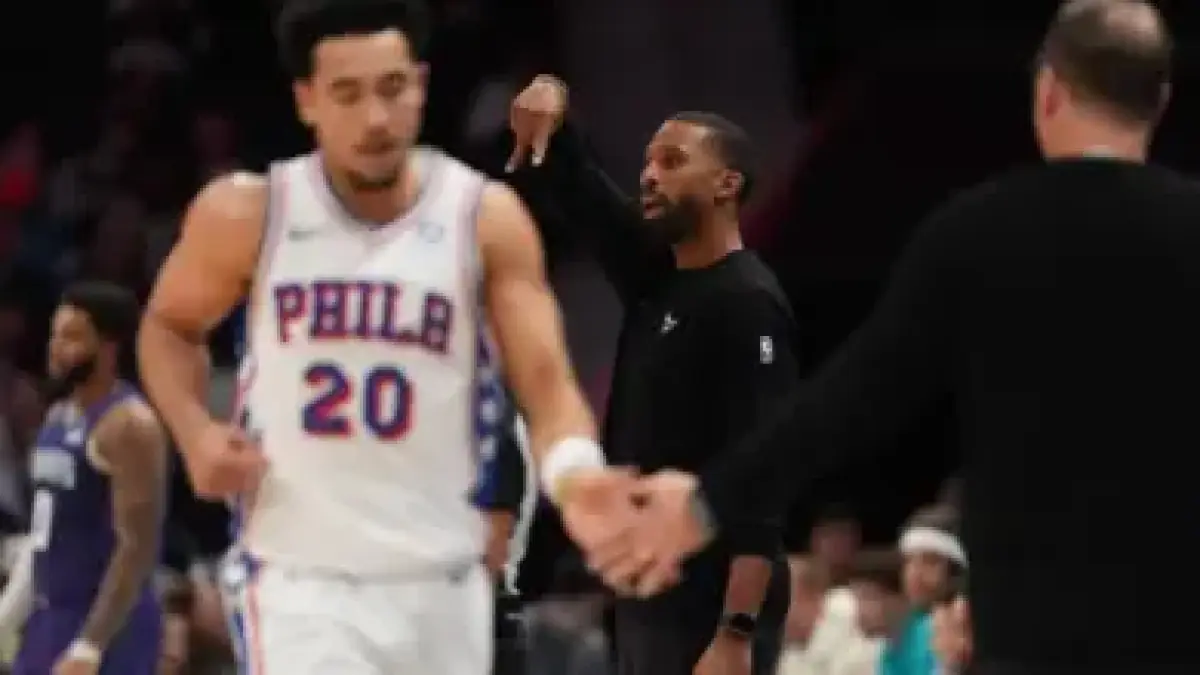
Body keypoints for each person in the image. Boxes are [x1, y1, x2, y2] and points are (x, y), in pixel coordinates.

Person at [600, 1, 1200, 673]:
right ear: (1160, 100)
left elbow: (846, 402)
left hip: (1030, 639)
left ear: (1049, 92)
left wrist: (706, 503)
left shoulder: (977, 235)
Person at [135, 0, 635, 673]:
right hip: (302, 576)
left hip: (442, 572)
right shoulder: (247, 212)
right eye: (348, 94)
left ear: (421, 85)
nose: (375, 117)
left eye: (392, 88)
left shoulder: (484, 218)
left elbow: (546, 388)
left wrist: (579, 476)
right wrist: (195, 430)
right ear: (308, 100)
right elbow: (169, 326)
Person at [508, 78, 798, 675]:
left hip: (711, 611)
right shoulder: (657, 281)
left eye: (671, 161)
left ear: (726, 184)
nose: (648, 175)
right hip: (644, 596)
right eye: (646, 162)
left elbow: (766, 481)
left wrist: (736, 632)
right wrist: (552, 105)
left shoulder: (749, 303)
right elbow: (586, 194)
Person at [0, 281, 167, 675]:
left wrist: (90, 645)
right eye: (54, 335)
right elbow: (44, 532)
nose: (56, 348)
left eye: (72, 337)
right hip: (50, 615)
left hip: (108, 623)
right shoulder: (56, 417)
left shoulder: (128, 425)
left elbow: (137, 548)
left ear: (108, 347)